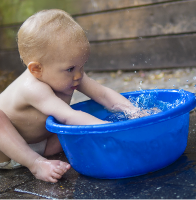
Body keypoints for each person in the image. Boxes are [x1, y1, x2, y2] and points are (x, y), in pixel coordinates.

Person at [0, 9, 140, 183]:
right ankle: (36, 164)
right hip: (5, 151)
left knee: (73, 131)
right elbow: (69, 116)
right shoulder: (33, 88)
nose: (79, 75)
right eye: (71, 69)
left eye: (82, 66)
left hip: (42, 145)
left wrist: (135, 113)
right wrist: (110, 129)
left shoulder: (70, 74)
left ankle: (40, 157)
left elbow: (103, 94)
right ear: (36, 69)